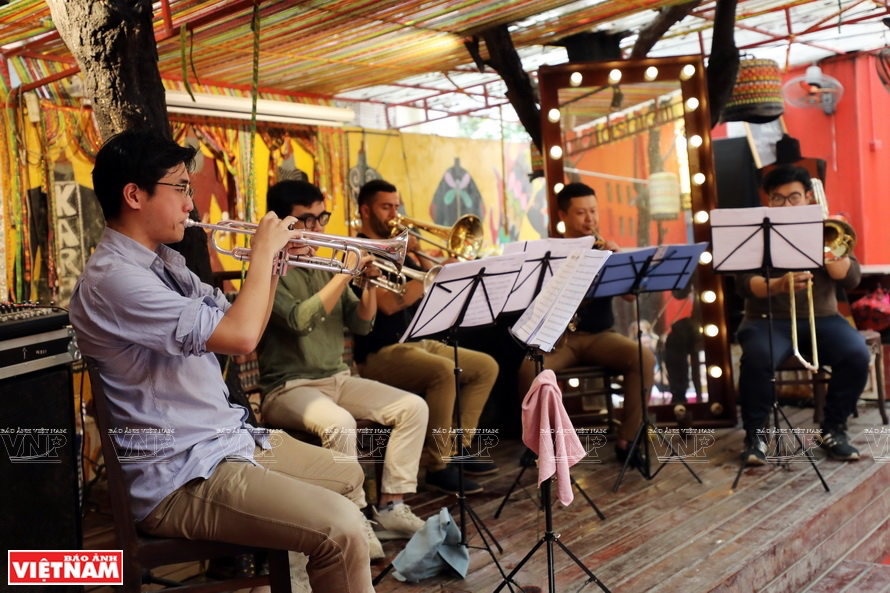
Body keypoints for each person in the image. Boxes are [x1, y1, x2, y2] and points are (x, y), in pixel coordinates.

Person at [68, 130, 374, 592]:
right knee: (342, 527)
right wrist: (265, 255)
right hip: (181, 475)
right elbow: (242, 335)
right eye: (181, 188)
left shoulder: (165, 266)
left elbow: (239, 326)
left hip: (229, 443)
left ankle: (304, 574)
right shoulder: (115, 281)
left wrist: (273, 265)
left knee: (349, 474)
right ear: (134, 195)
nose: (191, 204)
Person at [256, 179, 429, 547]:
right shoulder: (267, 268)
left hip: (338, 378)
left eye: (322, 218)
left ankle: (391, 506)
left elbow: (362, 323)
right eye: (308, 220)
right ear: (282, 222)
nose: (319, 229)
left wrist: (367, 284)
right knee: (341, 424)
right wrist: (343, 276)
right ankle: (354, 516)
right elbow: (300, 321)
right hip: (289, 388)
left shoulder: (325, 264)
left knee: (413, 407)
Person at [351, 179, 500, 496]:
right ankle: (438, 466)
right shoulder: (359, 252)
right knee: (444, 372)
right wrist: (433, 271)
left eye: (396, 205)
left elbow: (421, 287)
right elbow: (390, 305)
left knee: (485, 366)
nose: (395, 213)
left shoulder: (397, 246)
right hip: (380, 353)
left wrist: (419, 259)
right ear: (365, 210)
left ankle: (455, 448)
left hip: (414, 343)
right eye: (385, 206)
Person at [736, 164, 869, 466]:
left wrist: (831, 255)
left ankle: (833, 428)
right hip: (767, 320)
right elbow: (743, 284)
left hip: (822, 317)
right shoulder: (757, 233)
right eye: (778, 198)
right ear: (768, 200)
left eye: (793, 197)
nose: (786, 204)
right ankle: (755, 436)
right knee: (756, 358)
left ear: (809, 197)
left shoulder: (827, 227)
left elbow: (852, 279)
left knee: (857, 354)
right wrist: (777, 285)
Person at [518, 182, 655, 466]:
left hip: (600, 335)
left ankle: (627, 440)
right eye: (581, 213)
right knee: (529, 370)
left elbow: (631, 297)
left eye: (593, 211)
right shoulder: (548, 253)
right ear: (563, 216)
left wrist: (621, 263)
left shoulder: (604, 248)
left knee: (643, 357)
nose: (590, 219)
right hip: (559, 340)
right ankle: (538, 445)